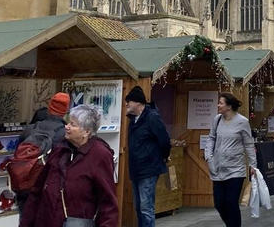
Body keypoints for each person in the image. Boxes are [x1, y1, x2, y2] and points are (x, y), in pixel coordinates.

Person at [19, 104, 118, 227]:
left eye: (73, 124)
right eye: (68, 123)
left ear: (86, 132)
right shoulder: (60, 149)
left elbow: (108, 203)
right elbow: (37, 190)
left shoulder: (99, 155)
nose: (67, 127)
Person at [205, 92, 257, 227]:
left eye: (221, 103)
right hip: (217, 169)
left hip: (235, 170)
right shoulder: (217, 119)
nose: (218, 105)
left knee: (231, 202)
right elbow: (211, 138)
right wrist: (208, 156)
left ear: (229, 106)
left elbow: (249, 144)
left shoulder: (242, 122)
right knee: (219, 203)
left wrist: (253, 165)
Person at [15, 92, 70, 214]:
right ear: (65, 111)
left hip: (25, 190)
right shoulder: (65, 135)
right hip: (49, 193)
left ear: (49, 107)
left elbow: (17, 157)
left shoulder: (29, 130)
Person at [125, 85, 171, 227]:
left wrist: (163, 157)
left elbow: (164, 140)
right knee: (138, 207)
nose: (126, 104)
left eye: (129, 101)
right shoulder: (133, 120)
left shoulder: (152, 118)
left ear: (138, 103)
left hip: (149, 168)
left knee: (146, 208)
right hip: (136, 169)